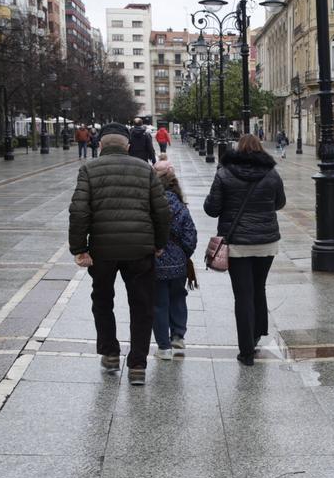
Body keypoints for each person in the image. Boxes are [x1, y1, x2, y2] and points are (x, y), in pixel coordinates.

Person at [69, 123, 171, 386]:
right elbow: (161, 211)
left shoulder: (89, 170)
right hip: (139, 250)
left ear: (100, 145)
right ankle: (137, 364)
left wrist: (80, 249)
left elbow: (79, 212)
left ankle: (110, 352)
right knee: (142, 306)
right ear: (127, 147)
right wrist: (159, 243)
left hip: (103, 250)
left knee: (102, 301)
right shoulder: (144, 170)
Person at [204, 133, 286, 367]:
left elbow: (212, 209)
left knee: (243, 295)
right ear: (260, 149)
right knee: (259, 287)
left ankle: (246, 351)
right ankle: (257, 333)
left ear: (238, 150)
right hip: (266, 242)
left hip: (237, 244)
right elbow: (280, 203)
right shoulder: (272, 174)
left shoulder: (224, 173)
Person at [152, 160, 197, 360]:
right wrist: (184, 253)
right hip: (178, 263)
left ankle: (164, 348)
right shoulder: (180, 207)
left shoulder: (151, 206)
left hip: (156, 262)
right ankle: (178, 334)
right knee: (178, 297)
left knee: (159, 303)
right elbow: (190, 235)